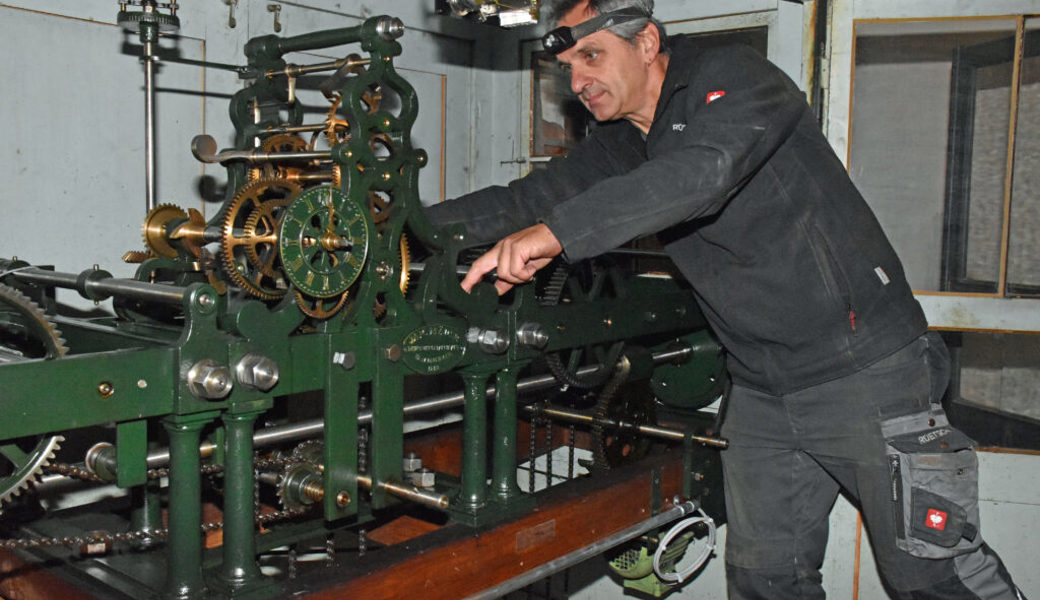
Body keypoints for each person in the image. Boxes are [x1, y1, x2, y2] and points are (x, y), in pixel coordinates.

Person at [425, 0, 1025, 598]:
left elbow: (701, 176)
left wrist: (556, 235)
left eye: (592, 56)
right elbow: (529, 198)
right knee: (765, 582)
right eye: (569, 69)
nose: (578, 82)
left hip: (866, 371)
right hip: (762, 387)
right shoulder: (622, 142)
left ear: (648, 43)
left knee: (934, 575)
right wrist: (401, 230)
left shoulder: (734, 79)